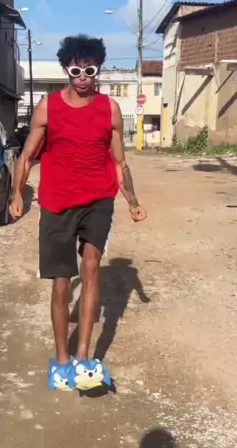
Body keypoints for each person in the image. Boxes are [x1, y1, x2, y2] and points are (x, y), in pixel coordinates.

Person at [10, 34, 146, 391]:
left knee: (91, 266)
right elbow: (27, 156)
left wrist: (132, 201)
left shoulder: (110, 109)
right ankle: (61, 360)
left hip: (98, 199)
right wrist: (16, 194)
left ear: (98, 70)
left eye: (90, 70)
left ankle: (84, 356)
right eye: (76, 70)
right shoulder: (48, 107)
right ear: (66, 70)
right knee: (60, 282)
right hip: (57, 202)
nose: (83, 77)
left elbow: (119, 162)